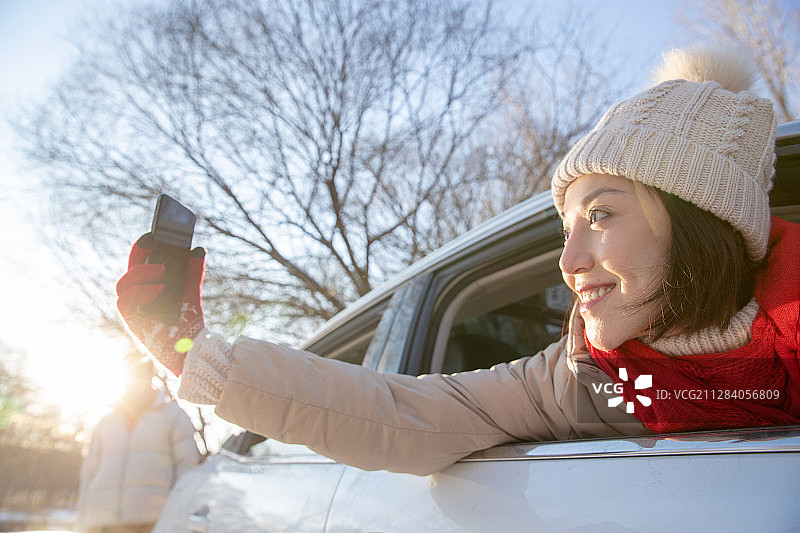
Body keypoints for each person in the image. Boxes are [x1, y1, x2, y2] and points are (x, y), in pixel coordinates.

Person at [115, 44, 800, 477]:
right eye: (566, 226)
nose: (568, 260)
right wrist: (194, 355)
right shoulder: (576, 381)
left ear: (699, 221)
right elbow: (398, 412)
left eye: (600, 215)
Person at [75, 353, 201, 533]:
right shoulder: (105, 422)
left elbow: (187, 468)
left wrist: (176, 518)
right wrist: (81, 523)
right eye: (132, 373)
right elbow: (88, 474)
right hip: (101, 523)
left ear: (151, 375)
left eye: (142, 373)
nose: (136, 380)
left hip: (152, 523)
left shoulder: (174, 416)